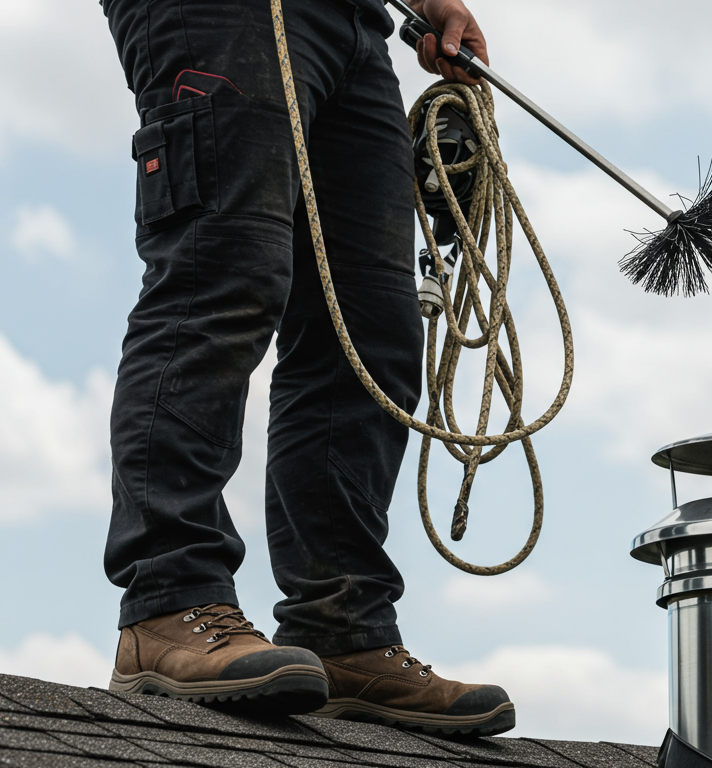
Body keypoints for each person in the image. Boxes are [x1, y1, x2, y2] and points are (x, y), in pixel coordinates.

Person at [98, 0, 512, 735]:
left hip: (352, 20)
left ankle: (343, 629)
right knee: (222, 276)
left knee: (371, 325)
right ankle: (167, 604)